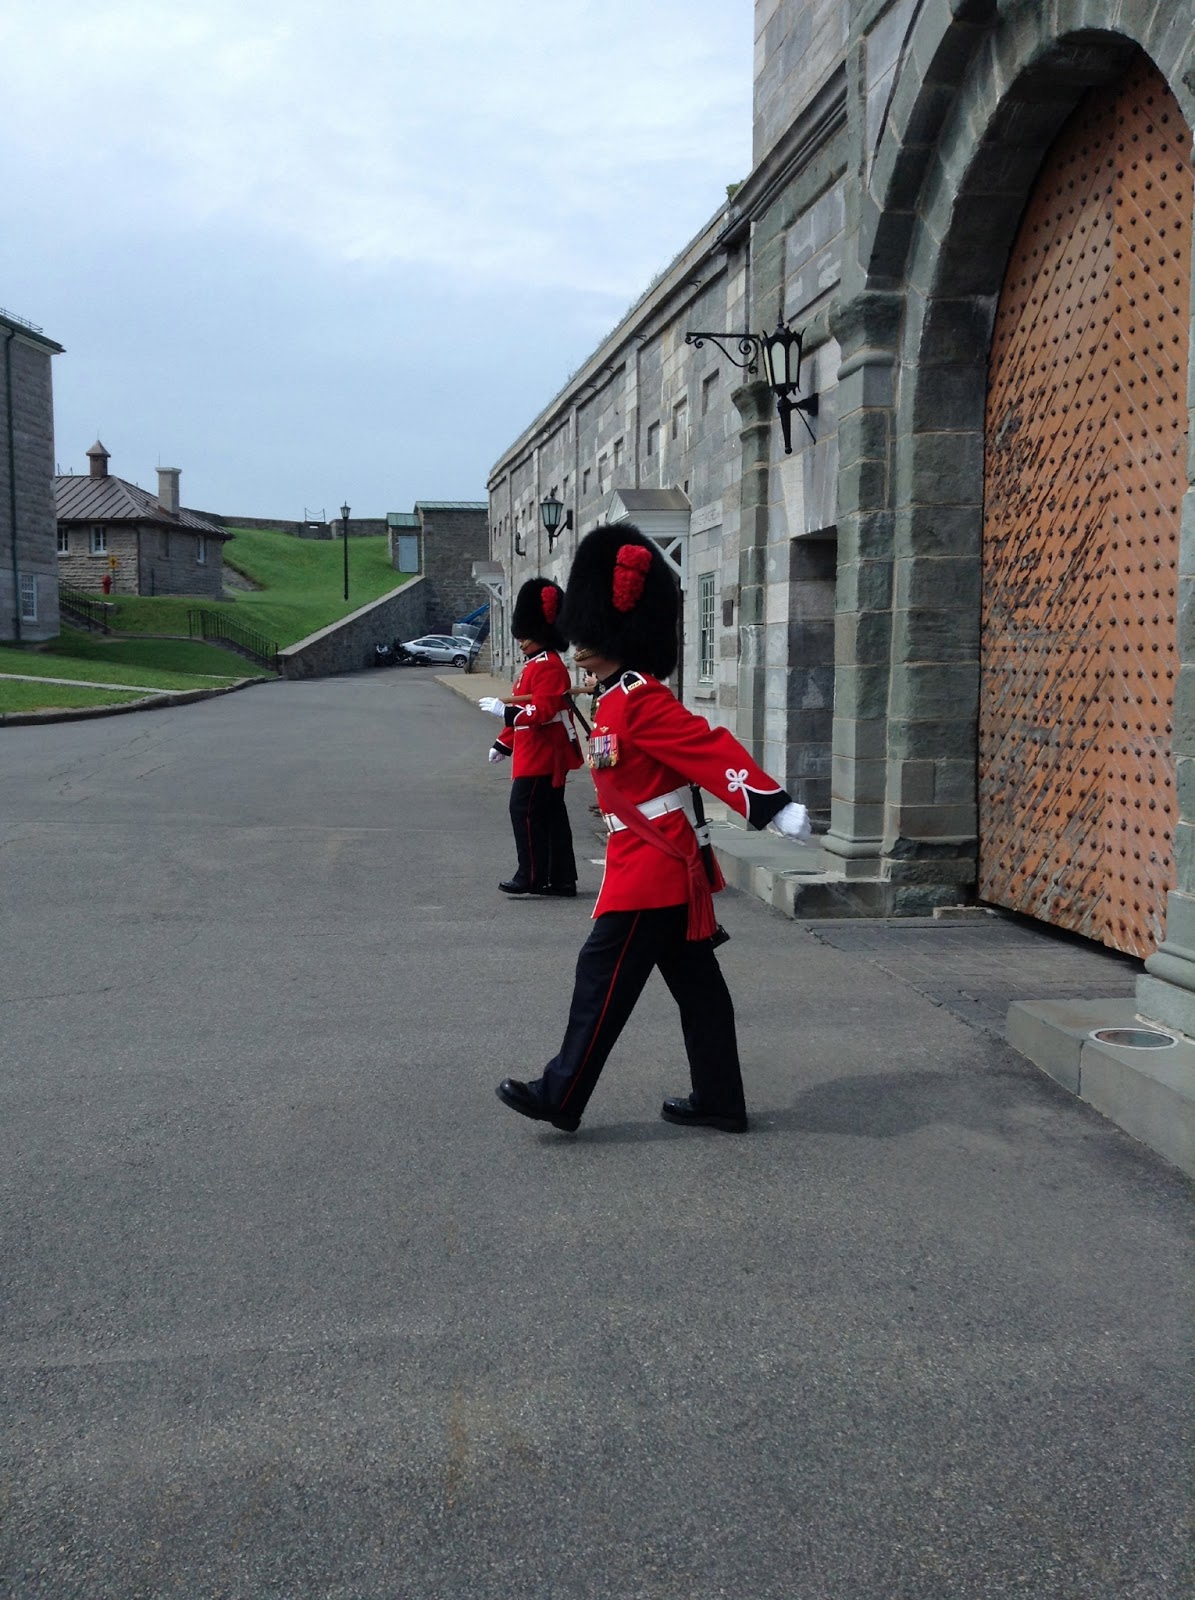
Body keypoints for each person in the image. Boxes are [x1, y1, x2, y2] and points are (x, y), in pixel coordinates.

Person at [496, 525, 812, 1136]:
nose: (577, 642)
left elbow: (706, 747)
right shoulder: (614, 695)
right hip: (650, 855)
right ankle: (720, 1099)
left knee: (601, 976)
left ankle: (562, 1094)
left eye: (589, 631)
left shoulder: (640, 697)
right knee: (699, 990)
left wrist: (770, 806)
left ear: (618, 632)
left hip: (654, 862)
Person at [479, 577, 583, 898]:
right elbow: (527, 711)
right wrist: (503, 743)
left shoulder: (549, 666)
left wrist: (505, 712)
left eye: (526, 635)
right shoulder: (535, 665)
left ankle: (531, 875)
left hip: (544, 756)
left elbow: (542, 712)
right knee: (549, 816)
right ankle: (560, 879)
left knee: (524, 811)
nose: (521, 641)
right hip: (534, 752)